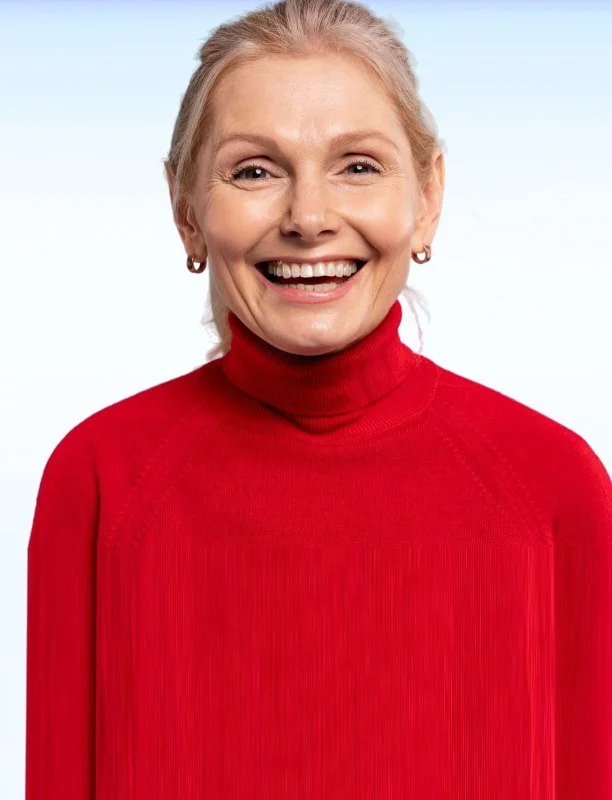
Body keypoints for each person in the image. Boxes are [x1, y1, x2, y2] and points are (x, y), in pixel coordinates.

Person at [25, 0, 611, 797]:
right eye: (254, 171)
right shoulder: (99, 480)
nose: (308, 218)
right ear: (186, 211)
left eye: (358, 166)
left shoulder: (553, 485)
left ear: (428, 197)